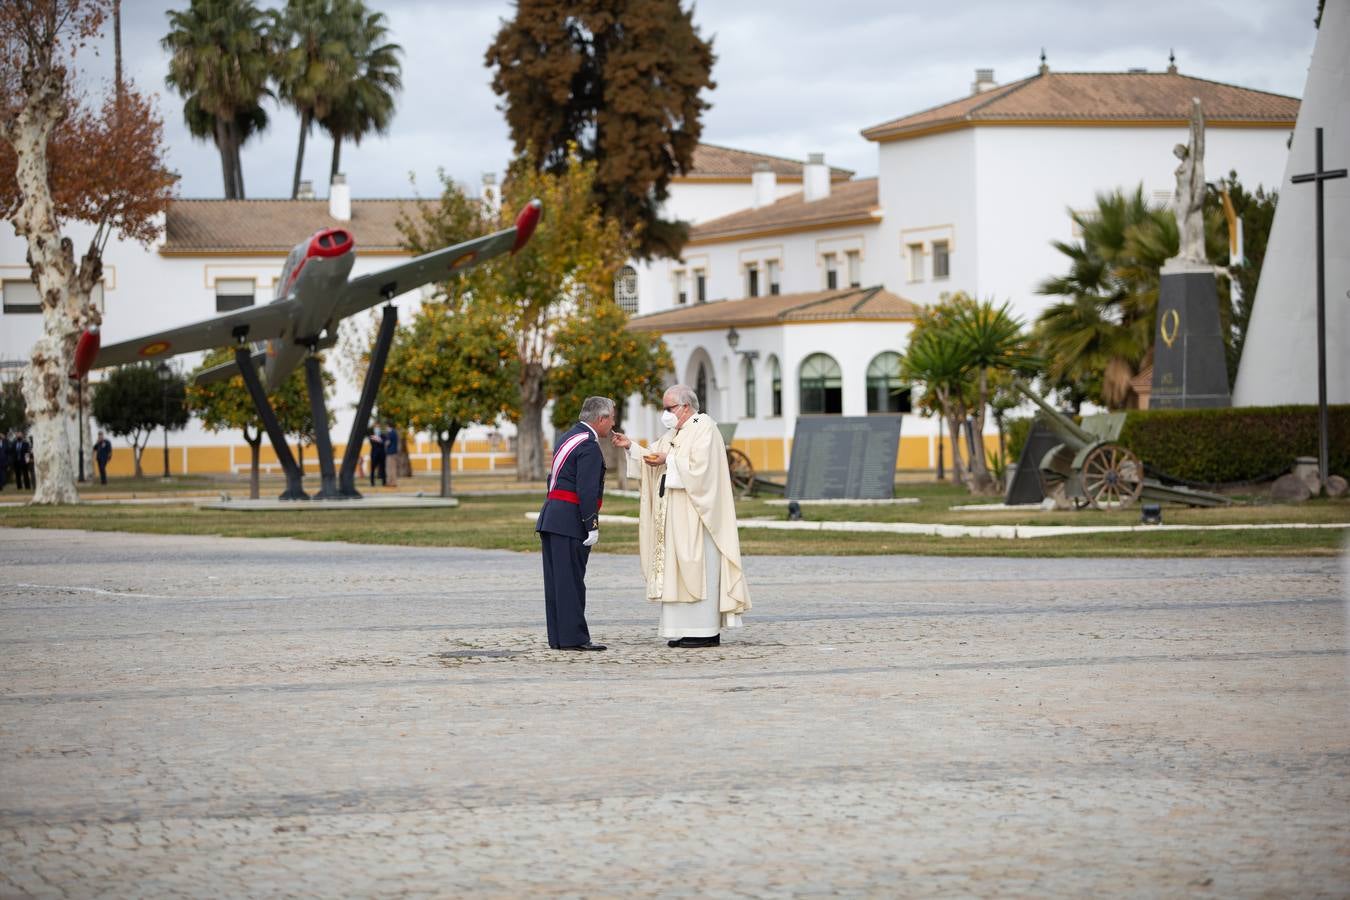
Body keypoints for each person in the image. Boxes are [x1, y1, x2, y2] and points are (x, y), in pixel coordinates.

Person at [612, 385, 750, 648]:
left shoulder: (704, 426)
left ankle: (706, 632)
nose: (665, 414)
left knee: (697, 569)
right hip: (674, 517)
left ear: (686, 407)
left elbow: (702, 469)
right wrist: (630, 446)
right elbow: (654, 456)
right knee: (677, 572)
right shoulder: (675, 432)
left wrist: (669, 461)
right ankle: (686, 629)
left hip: (697, 518)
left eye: (669, 408)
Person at [536, 396, 613, 651]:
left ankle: (559, 637)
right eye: (611, 419)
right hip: (570, 520)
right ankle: (575, 638)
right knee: (571, 582)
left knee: (558, 583)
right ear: (601, 419)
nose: (612, 424)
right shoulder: (589, 445)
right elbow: (587, 490)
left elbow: (553, 479)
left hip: (552, 516)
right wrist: (591, 524)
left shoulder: (569, 437)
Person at [383, 422, 400, 487]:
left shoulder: (391, 433)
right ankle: (392, 482)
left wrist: (384, 444)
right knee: (392, 468)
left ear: (388, 426)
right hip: (394, 452)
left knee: (390, 468)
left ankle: (391, 482)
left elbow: (388, 442)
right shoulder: (394, 432)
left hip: (391, 453)